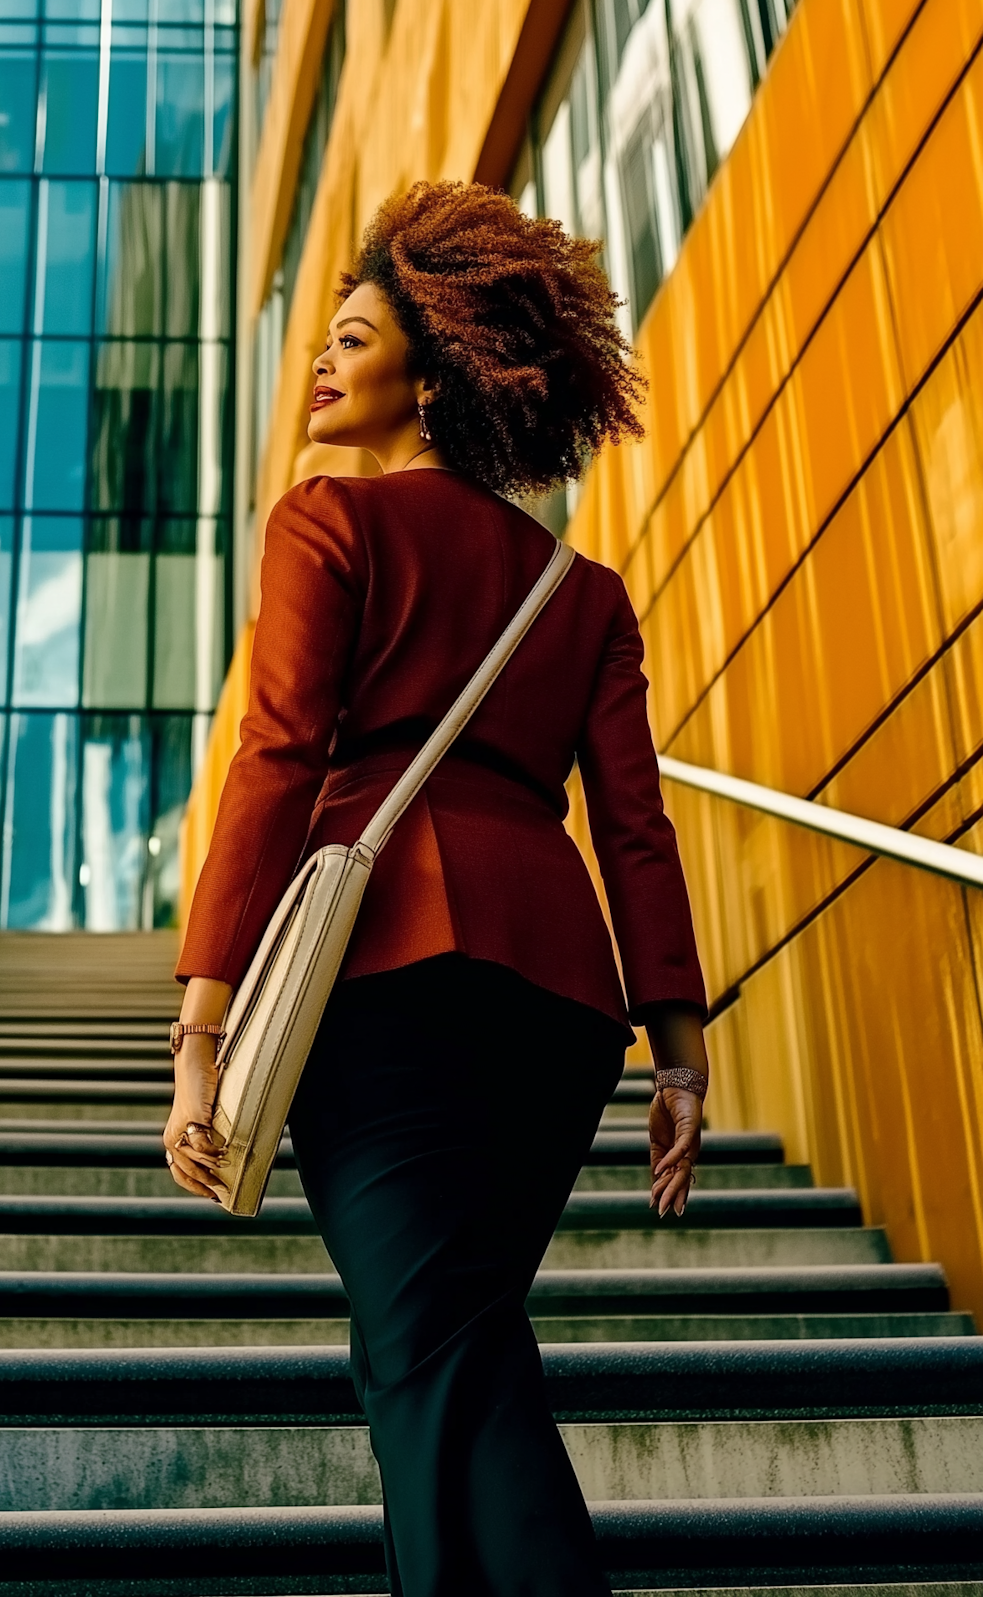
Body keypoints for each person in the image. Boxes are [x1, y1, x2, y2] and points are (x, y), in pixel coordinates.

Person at [163, 181, 708, 1597]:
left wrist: (202, 1030)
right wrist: (680, 1054)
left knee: (433, 1350)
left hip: (384, 976)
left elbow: (276, 764)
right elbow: (633, 826)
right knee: (437, 1345)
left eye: (354, 335)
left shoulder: (325, 522)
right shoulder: (579, 591)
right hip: (559, 1005)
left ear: (438, 366)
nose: (324, 361)